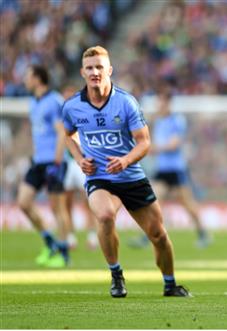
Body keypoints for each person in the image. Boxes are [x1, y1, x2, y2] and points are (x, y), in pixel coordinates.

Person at [62, 45, 191, 298]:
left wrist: (125, 160)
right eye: (90, 68)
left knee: (158, 234)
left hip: (131, 176)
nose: (95, 72)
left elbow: (144, 142)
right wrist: (79, 158)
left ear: (109, 70)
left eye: (99, 67)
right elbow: (68, 135)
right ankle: (116, 274)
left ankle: (170, 283)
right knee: (105, 215)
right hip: (99, 177)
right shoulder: (72, 107)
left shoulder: (126, 102)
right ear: (82, 72)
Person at [128, 88, 210, 249]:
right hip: (162, 170)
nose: (160, 105)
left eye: (162, 101)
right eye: (158, 101)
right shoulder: (158, 121)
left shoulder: (176, 120)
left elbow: (175, 144)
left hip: (176, 169)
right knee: (152, 202)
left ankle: (203, 234)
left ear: (168, 103)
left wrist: (155, 149)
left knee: (188, 204)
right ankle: (147, 236)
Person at [17, 65, 70, 268]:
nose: (24, 80)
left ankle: (64, 253)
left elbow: (61, 133)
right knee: (23, 202)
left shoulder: (54, 101)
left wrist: (57, 162)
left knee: (58, 207)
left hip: (54, 162)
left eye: (28, 76)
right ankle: (50, 243)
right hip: (39, 161)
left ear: (38, 79)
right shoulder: (34, 102)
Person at [62, 85, 99, 250]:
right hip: (67, 163)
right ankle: (70, 237)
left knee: (88, 201)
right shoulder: (63, 115)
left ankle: (92, 236)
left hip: (82, 162)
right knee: (66, 202)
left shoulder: (81, 113)